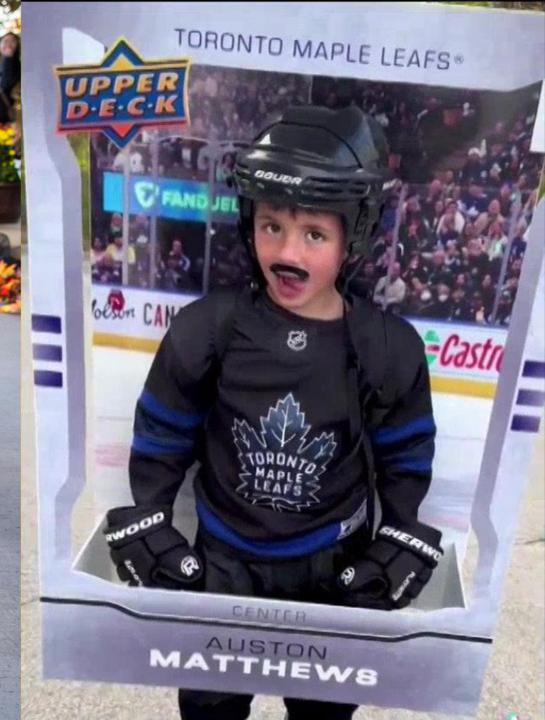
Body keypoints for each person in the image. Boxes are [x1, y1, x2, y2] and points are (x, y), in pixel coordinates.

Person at [103, 106, 442, 720]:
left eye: (315, 234)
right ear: (248, 221)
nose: (288, 251)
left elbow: (406, 453)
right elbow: (162, 436)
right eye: (272, 226)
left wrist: (400, 530)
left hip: (333, 568)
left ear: (354, 235)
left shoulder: (389, 348)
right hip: (223, 564)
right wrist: (150, 517)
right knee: (209, 711)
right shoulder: (207, 329)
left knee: (323, 713)